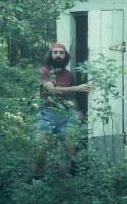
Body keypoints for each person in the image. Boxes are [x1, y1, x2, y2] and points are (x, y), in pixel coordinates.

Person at [33, 42, 91, 181]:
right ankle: (37, 182)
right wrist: (78, 88)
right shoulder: (44, 71)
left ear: (65, 56)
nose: (58, 55)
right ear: (51, 54)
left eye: (61, 53)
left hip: (65, 116)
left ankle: (77, 182)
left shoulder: (69, 75)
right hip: (47, 115)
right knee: (41, 151)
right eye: (55, 52)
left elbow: (70, 98)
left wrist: (78, 112)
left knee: (73, 152)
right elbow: (52, 90)